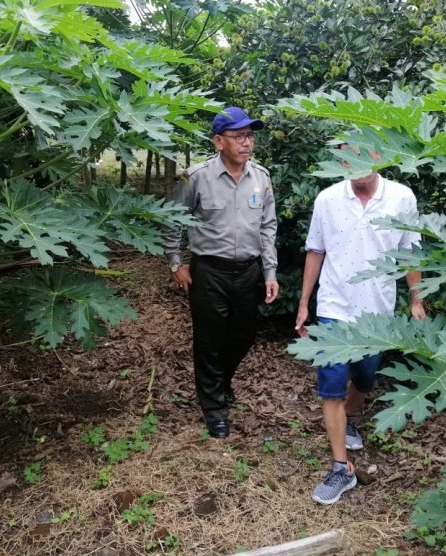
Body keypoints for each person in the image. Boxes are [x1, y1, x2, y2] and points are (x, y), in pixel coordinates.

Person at [295, 165, 425, 505]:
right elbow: (316, 250)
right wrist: (304, 302)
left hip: (377, 312)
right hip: (333, 306)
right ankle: (341, 468)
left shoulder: (401, 197)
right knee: (331, 386)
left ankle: (350, 418)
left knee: (366, 377)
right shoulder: (327, 199)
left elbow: (411, 252)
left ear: (379, 154)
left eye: (363, 152)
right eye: (347, 153)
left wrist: (417, 300)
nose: (355, 163)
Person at [162, 107, 279, 439]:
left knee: (243, 336)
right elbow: (171, 220)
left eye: (250, 135)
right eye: (239, 136)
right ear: (218, 141)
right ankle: (214, 408)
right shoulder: (195, 177)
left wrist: (269, 272)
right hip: (209, 271)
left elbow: (268, 227)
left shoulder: (261, 177)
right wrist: (176, 263)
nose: (247, 143)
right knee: (209, 342)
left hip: (248, 272)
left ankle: (220, 382)